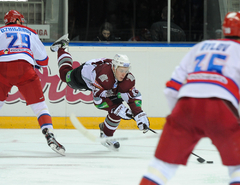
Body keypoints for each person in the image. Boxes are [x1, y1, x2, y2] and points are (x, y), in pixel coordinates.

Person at [139, 11, 240, 185]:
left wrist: (179, 120)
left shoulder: (201, 46)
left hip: (185, 106)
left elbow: (172, 88)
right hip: (221, 107)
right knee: (237, 169)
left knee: (160, 168)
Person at [50, 34, 150, 150]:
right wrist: (118, 108)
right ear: (114, 68)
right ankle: (62, 48)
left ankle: (106, 136)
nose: (124, 74)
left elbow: (133, 97)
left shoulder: (128, 79)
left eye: (126, 71)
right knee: (65, 76)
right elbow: (98, 101)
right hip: (85, 76)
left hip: (104, 85)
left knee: (118, 109)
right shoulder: (103, 77)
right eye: (121, 70)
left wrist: (139, 115)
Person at [0, 10, 65, 156]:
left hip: (2, 68)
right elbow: (44, 60)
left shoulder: (0, 31)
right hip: (25, 69)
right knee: (39, 106)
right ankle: (49, 135)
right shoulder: (30, 32)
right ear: (17, 20)